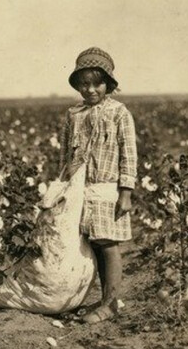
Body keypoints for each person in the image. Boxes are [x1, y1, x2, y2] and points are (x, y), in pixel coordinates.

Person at [59, 47, 138, 323]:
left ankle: (111, 301)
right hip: (81, 190)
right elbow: (65, 156)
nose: (91, 90)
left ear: (109, 84)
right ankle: (105, 299)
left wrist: (125, 193)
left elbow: (128, 153)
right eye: (85, 84)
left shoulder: (118, 112)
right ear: (78, 86)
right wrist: (63, 186)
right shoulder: (73, 115)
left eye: (98, 83)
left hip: (107, 188)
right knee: (92, 244)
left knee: (108, 244)